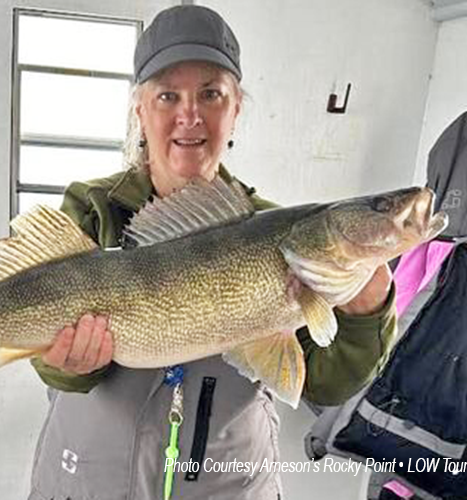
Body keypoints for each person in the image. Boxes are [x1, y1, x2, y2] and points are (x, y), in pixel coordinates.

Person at [26, 5, 397, 500]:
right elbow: (41, 351)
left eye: (211, 93)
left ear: (236, 107)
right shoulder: (91, 210)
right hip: (86, 484)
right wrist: (66, 362)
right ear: (140, 109)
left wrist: (365, 314)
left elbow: (325, 386)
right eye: (167, 95)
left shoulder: (281, 232)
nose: (190, 114)